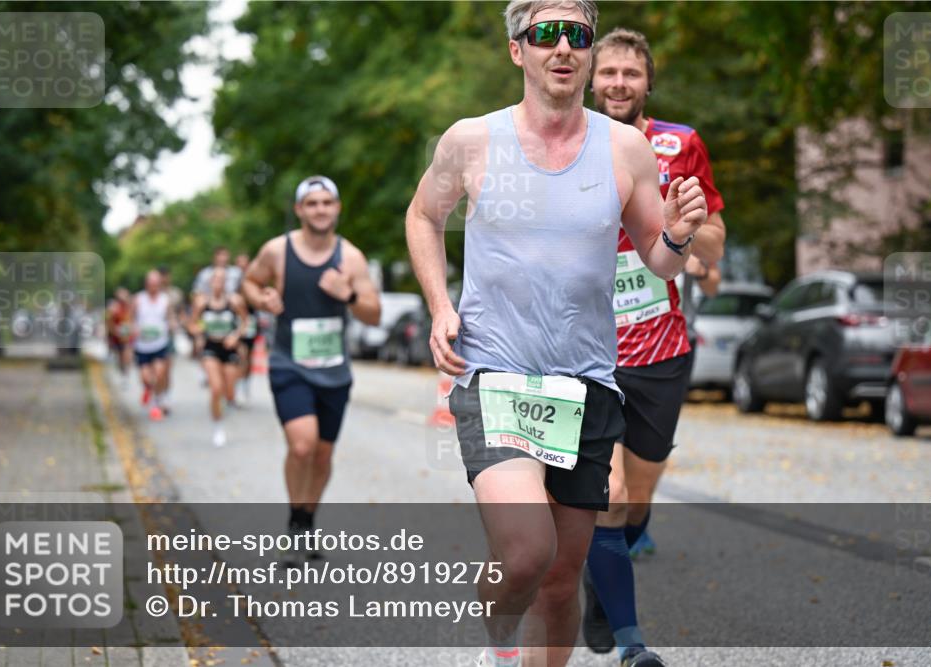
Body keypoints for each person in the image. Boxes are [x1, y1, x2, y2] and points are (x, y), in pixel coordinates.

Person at [405, 3, 707, 666]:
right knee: (525, 553)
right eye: (546, 34)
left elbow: (658, 257)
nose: (563, 48)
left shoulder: (623, 148)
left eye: (578, 35)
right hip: (495, 372)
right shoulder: (472, 141)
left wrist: (680, 233)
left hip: (588, 382)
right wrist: (438, 305)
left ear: (590, 53)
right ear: (518, 50)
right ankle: (496, 644)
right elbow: (425, 217)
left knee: (561, 579)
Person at [581, 27, 727, 664]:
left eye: (630, 74)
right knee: (607, 496)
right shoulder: (569, 142)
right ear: (591, 79)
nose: (618, 83)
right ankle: (626, 635)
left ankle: (604, 584)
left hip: (662, 352)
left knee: (636, 501)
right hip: (588, 352)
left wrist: (688, 237)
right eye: (607, 72)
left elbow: (716, 235)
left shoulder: (682, 143)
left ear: (647, 82)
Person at [243, 175, 381, 557]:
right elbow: (250, 282)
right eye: (312, 203)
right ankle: (295, 520)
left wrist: (348, 294)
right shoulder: (277, 251)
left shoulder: (350, 258)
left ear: (336, 208)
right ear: (299, 210)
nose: (320, 209)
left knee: (322, 454)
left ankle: (306, 521)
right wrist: (263, 296)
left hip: (335, 372)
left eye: (326, 203)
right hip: (289, 364)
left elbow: (373, 314)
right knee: (302, 446)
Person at [189, 267, 249, 446]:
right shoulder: (201, 302)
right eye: (215, 279)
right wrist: (199, 333)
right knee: (216, 388)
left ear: (226, 282)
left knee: (229, 392)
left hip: (229, 348)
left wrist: (235, 336)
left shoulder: (235, 301)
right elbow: (192, 324)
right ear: (210, 282)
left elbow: (245, 323)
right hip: (210, 347)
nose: (218, 282)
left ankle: (225, 404)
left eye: (222, 279)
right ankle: (218, 427)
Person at [132, 270, 177, 420]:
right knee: (146, 378)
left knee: (159, 374)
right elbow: (131, 319)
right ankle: (149, 389)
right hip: (142, 345)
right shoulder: (138, 299)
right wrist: (133, 328)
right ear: (146, 284)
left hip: (160, 343)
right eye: (151, 284)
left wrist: (172, 325)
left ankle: (156, 403)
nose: (154, 287)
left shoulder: (166, 300)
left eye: (157, 284)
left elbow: (171, 318)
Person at [157, 265, 186, 411]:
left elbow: (181, 313)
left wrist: (179, 324)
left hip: (168, 336)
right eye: (161, 276)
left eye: (165, 275)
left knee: (167, 368)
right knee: (155, 370)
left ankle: (165, 396)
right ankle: (157, 393)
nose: (163, 279)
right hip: (152, 338)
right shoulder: (152, 293)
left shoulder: (176, 294)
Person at [234, 253, 260, 403]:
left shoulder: (254, 279)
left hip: (251, 322)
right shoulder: (231, 281)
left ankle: (245, 384)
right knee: (240, 355)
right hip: (237, 323)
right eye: (239, 263)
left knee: (249, 356)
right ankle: (235, 386)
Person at [106, 287, 134, 384]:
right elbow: (109, 323)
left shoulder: (130, 307)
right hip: (117, 337)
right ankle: (123, 372)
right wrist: (114, 332)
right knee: (120, 357)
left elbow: (134, 319)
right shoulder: (113, 308)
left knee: (127, 355)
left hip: (128, 336)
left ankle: (126, 375)